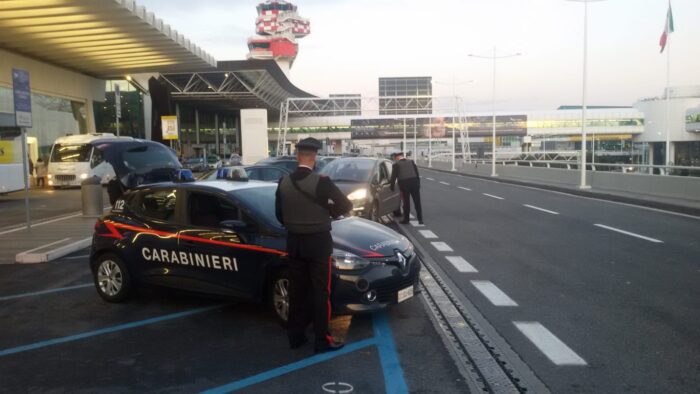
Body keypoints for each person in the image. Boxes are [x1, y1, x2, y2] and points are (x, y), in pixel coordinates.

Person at [275, 137, 352, 354]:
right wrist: (328, 212)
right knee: (320, 293)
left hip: (294, 243)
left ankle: (296, 337)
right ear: (314, 158)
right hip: (318, 244)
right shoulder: (322, 182)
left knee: (297, 291)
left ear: (298, 156)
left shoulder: (283, 182)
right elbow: (346, 204)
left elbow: (279, 215)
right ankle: (321, 340)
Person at [390, 151, 423, 224]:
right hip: (415, 183)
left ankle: (406, 219)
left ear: (397, 157)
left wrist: (391, 187)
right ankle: (420, 219)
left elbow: (393, 177)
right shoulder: (411, 162)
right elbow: (417, 174)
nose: (395, 159)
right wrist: (418, 184)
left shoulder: (396, 164)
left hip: (404, 184)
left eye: (395, 158)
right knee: (417, 202)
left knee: (406, 203)